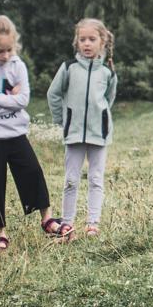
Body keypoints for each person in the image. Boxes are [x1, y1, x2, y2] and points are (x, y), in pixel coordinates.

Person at [0, 15, 69, 250]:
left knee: (32, 172)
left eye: (9, 50)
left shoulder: (18, 65)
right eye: (0, 51)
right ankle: (0, 233)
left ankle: (47, 220)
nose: (5, 55)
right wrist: (9, 99)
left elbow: (23, 100)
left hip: (16, 132)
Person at [48, 19, 119, 237]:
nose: (87, 44)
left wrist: (102, 118)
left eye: (92, 39)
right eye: (82, 39)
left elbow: (109, 99)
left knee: (96, 179)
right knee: (71, 180)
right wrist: (62, 120)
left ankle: (93, 223)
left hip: (99, 134)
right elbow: (53, 94)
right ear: (76, 42)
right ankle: (67, 223)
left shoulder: (107, 72)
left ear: (102, 42)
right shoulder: (68, 68)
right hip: (74, 133)